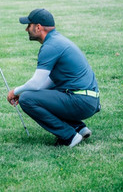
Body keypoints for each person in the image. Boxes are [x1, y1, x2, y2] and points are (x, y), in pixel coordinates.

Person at [7, 8, 101, 147]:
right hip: (90, 100)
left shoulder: (50, 46)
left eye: (29, 25)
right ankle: (78, 127)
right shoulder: (58, 40)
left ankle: (69, 137)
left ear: (38, 27)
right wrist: (29, 93)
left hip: (81, 101)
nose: (26, 29)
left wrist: (15, 92)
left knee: (27, 99)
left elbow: (36, 83)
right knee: (35, 95)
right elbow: (49, 81)